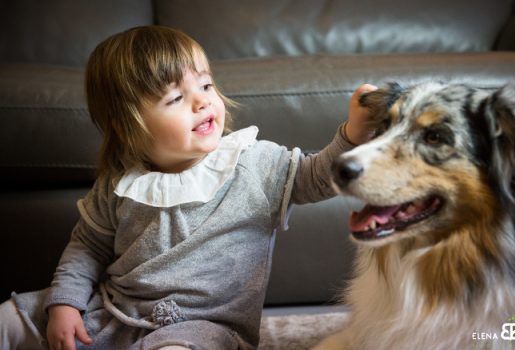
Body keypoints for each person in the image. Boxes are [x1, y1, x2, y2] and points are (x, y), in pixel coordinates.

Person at [0, 25, 378, 350]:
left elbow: (316, 177)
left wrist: (353, 134)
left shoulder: (253, 162)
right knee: (10, 318)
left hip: (204, 328)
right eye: (177, 98)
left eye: (206, 84)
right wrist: (65, 304)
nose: (202, 102)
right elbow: (87, 247)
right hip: (114, 311)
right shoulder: (120, 183)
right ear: (129, 126)